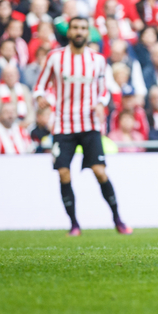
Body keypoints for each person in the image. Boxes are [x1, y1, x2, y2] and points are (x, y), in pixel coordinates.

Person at [33, 17, 131, 236]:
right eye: (75, 28)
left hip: (89, 124)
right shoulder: (55, 58)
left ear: (88, 32)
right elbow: (40, 85)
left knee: (100, 171)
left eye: (83, 28)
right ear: (69, 32)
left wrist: (100, 103)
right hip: (63, 124)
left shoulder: (97, 60)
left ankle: (117, 219)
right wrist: (41, 97)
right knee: (64, 173)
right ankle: (74, 224)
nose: (79, 32)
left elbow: (104, 90)